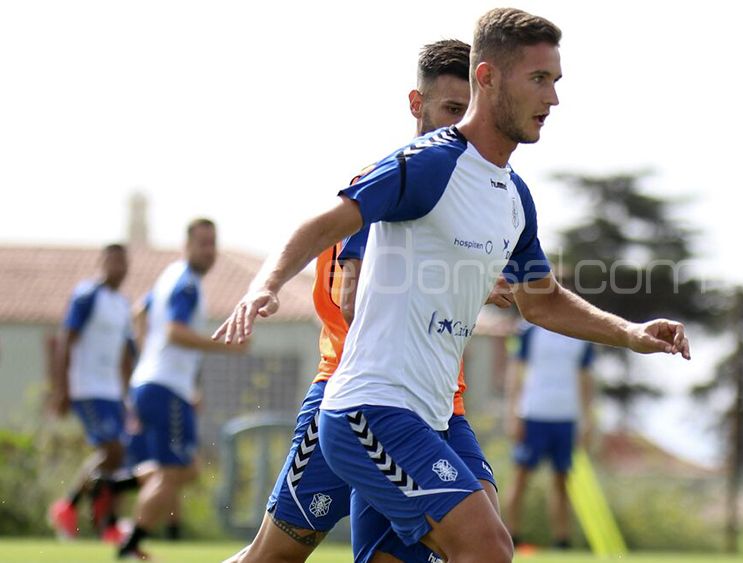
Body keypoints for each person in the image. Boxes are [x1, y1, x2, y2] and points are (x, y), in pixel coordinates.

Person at [215, 8, 690, 563]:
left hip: (438, 416)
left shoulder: (514, 196)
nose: (554, 98)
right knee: (484, 546)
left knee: (470, 535)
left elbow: (542, 302)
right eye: (539, 79)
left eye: (556, 81)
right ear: (488, 78)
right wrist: (265, 285)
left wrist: (631, 333)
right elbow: (325, 225)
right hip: (371, 409)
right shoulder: (428, 164)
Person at [224, 39, 504, 563]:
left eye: (469, 112)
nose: (461, 125)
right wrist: (267, 284)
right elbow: (354, 301)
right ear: (416, 105)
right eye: (450, 108)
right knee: (274, 556)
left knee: (482, 540)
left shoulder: (475, 194)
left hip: (440, 405)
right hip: (356, 397)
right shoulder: (389, 185)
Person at [116, 218, 246, 559]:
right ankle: (130, 544)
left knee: (180, 468)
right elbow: (174, 332)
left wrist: (148, 357)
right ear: (186, 246)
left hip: (155, 384)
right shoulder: (187, 284)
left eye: (212, 243)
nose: (209, 250)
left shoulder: (170, 275)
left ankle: (117, 486)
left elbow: (139, 313)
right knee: (177, 470)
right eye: (202, 243)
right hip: (165, 388)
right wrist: (227, 345)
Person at [48, 244, 134, 542]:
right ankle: (83, 512)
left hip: (111, 391)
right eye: (112, 261)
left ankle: (93, 517)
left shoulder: (122, 304)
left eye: (122, 262)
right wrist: (61, 389)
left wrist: (128, 394)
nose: (117, 267)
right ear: (101, 263)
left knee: (117, 457)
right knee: (113, 450)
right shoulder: (87, 296)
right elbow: (65, 340)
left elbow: (125, 354)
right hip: (86, 387)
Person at [503, 321, 594, 549]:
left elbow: (586, 377)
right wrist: (512, 413)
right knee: (520, 478)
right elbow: (515, 371)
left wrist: (587, 419)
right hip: (533, 413)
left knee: (562, 481)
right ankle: (510, 536)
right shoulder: (528, 331)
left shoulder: (581, 332)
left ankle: (561, 540)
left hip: (566, 416)